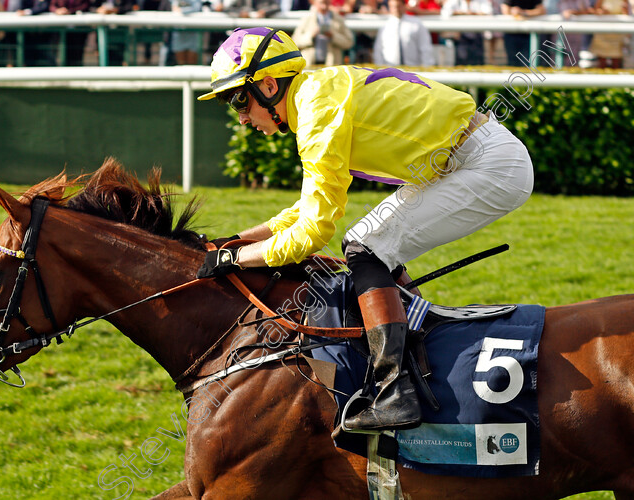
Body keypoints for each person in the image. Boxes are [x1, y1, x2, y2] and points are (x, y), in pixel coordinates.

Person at [195, 28, 533, 432]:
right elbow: (308, 210)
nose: (242, 116)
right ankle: (417, 358)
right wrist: (237, 242)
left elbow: (310, 234)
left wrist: (235, 258)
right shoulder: (315, 96)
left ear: (269, 85)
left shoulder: (318, 107)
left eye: (239, 99)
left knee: (365, 248)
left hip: (486, 165)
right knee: (367, 242)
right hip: (463, 160)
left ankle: (397, 391)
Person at [292, 0, 355, 67]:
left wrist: (333, 36)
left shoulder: (338, 19)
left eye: (327, 2)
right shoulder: (307, 19)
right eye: (322, 2)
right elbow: (295, 41)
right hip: (310, 64)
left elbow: (349, 42)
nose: (324, 6)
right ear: (314, 2)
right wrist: (311, 36)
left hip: (332, 65)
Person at [373, 0, 435, 66]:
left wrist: (427, 66)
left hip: (413, 69)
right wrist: (380, 69)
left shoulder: (416, 23)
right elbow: (378, 49)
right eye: (393, 7)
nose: (396, 9)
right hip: (390, 70)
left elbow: (425, 47)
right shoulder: (385, 25)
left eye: (398, 6)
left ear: (404, 6)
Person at [440, 0, 492, 65]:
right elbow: (445, 13)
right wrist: (466, 13)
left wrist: (466, 14)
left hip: (477, 35)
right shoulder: (454, 1)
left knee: (477, 62)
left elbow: (488, 12)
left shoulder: (482, 1)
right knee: (461, 61)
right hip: (460, 36)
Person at [500, 0, 545, 66]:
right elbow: (505, 10)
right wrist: (513, 12)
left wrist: (523, 13)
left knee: (527, 63)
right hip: (511, 33)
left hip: (529, 35)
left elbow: (542, 10)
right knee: (513, 63)